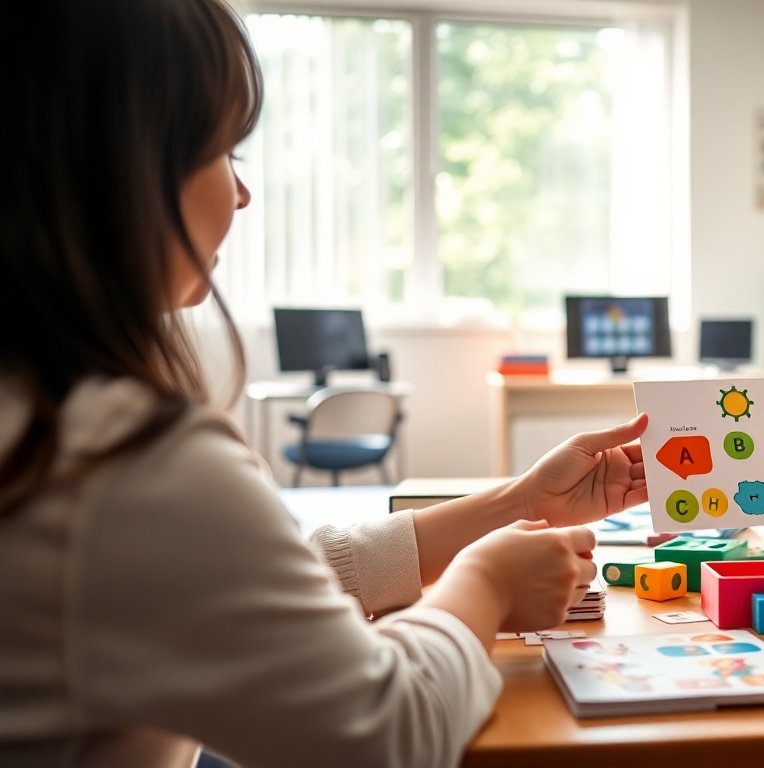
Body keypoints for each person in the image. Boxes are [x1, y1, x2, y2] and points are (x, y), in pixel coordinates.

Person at [0, 2, 647, 766]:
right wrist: (486, 586)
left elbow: (256, 585)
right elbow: (385, 731)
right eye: (225, 154)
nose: (241, 196)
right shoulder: (125, 457)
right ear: (125, 170)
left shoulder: (48, 413)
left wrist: (519, 504)